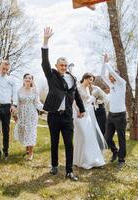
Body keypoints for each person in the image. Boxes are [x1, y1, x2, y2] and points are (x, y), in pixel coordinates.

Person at [41, 27, 85, 181]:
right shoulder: (51, 75)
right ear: (57, 66)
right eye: (61, 65)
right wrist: (46, 42)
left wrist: (82, 108)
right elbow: (45, 62)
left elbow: (76, 94)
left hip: (67, 116)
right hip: (53, 115)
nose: (64, 68)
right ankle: (54, 166)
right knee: (54, 142)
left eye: (65, 66)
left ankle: (69, 171)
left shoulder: (72, 78)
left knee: (69, 144)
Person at [73, 73, 107, 169]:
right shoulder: (78, 87)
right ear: (85, 78)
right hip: (79, 115)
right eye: (90, 79)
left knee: (89, 137)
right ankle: (79, 160)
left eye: (92, 80)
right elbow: (74, 101)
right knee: (81, 136)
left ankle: (90, 160)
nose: (91, 82)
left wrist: (94, 100)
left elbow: (88, 101)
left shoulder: (88, 89)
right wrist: (78, 111)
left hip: (87, 115)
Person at [100, 53, 127, 169]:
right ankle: (115, 151)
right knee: (107, 138)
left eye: (112, 75)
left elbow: (113, 72)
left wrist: (107, 63)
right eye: (110, 75)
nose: (111, 76)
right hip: (111, 115)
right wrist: (103, 62)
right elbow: (102, 75)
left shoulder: (122, 84)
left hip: (120, 116)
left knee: (121, 138)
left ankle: (121, 159)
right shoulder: (112, 86)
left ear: (117, 76)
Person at [14, 73, 43, 161]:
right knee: (23, 131)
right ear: (23, 80)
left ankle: (31, 153)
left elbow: (37, 103)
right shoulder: (19, 90)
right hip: (22, 114)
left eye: (30, 78)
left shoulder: (34, 91)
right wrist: (15, 114)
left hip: (32, 114)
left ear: (32, 80)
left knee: (31, 132)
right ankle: (27, 147)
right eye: (26, 78)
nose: (28, 79)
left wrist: (46, 108)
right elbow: (17, 103)